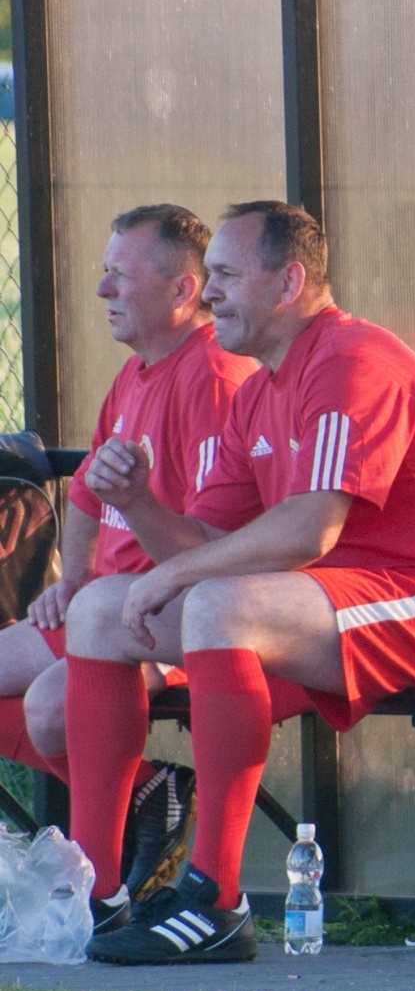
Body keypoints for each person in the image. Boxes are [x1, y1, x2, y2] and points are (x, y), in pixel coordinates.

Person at [64, 200, 415, 964]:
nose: (210, 295)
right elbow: (207, 540)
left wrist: (176, 573)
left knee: (215, 601)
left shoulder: (352, 359)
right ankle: (95, 891)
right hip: (326, 601)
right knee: (102, 609)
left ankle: (217, 895)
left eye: (230, 277)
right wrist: (137, 502)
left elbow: (310, 530)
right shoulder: (258, 392)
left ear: (290, 282)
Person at [0, 205, 257, 906]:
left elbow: (211, 550)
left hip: (166, 615)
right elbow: (85, 494)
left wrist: (104, 591)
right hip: (104, 607)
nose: (101, 291)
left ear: (182, 290)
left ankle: (106, 881)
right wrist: (75, 580)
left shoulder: (215, 378)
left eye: (119, 274)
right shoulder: (138, 372)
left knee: (52, 707)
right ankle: (154, 792)